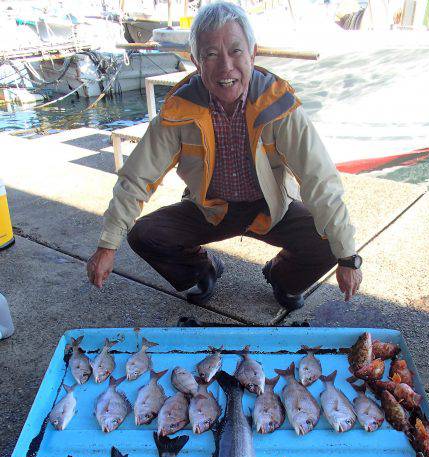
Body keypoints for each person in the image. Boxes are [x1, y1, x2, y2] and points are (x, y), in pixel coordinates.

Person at [87, 1, 362, 310]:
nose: (226, 67)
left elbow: (320, 179)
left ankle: (283, 277)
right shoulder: (179, 109)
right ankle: (203, 269)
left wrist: (348, 257)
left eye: (235, 51)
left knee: (331, 240)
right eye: (211, 55)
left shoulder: (279, 104)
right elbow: (137, 177)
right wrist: (107, 244)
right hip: (210, 209)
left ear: (253, 52)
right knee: (145, 235)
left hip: (271, 208)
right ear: (195, 61)